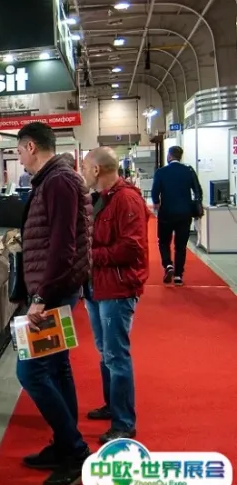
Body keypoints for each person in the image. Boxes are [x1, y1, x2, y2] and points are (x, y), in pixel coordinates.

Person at [15, 122, 92, 485]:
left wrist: (40, 297)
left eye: (19, 151)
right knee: (58, 368)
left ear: (31, 146)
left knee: (30, 372)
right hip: (57, 288)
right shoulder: (53, 180)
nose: (19, 159)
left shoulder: (58, 181)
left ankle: (76, 452)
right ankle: (64, 444)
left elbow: (62, 246)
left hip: (54, 292)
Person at [81, 147, 149, 443]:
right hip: (97, 286)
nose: (82, 172)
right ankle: (112, 406)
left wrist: (89, 256)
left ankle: (124, 423)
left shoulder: (126, 199)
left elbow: (131, 248)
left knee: (115, 355)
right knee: (105, 352)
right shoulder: (101, 199)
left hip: (117, 289)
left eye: (85, 167)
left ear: (96, 170)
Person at [151, 146, 203, 286]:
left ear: (169, 155)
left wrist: (156, 203)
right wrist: (197, 206)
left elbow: (155, 191)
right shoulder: (188, 171)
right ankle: (179, 275)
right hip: (185, 214)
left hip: (166, 213)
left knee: (164, 241)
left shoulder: (161, 172)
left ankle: (168, 265)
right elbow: (198, 190)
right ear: (180, 156)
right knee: (181, 245)